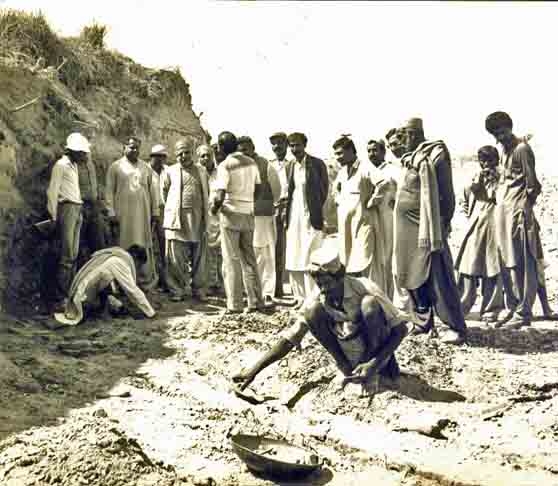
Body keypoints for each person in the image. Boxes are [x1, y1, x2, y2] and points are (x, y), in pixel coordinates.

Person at [232, 240, 413, 392]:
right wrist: (253, 370)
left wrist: (373, 364)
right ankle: (347, 369)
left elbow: (400, 329)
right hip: (348, 356)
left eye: (327, 283)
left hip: (379, 358)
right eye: (319, 284)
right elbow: (290, 338)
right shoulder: (319, 296)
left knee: (369, 305)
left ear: (340, 277)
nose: (323, 289)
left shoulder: (365, 287)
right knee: (312, 311)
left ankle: (377, 374)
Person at [393, 118, 467, 344]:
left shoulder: (435, 154)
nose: (399, 143)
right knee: (412, 275)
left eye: (402, 137)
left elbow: (447, 192)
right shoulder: (410, 158)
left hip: (429, 227)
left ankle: (454, 325)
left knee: (438, 274)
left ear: (413, 135)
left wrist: (442, 222)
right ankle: (423, 321)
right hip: (407, 230)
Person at [485, 112, 543, 328]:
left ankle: (524, 312)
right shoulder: (505, 152)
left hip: (519, 214)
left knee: (523, 263)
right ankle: (514, 307)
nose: (500, 137)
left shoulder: (521, 150)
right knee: (508, 263)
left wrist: (524, 209)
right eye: (496, 134)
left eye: (502, 131)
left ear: (510, 127)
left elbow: (532, 185)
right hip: (504, 215)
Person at [211, 131, 266, 314]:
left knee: (231, 260)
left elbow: (219, 195)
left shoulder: (225, 165)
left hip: (231, 214)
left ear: (221, 147)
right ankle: (256, 301)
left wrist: (214, 209)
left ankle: (234, 305)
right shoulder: (251, 162)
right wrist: (248, 202)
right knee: (249, 259)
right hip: (248, 214)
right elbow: (258, 189)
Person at [454, 146, 504, 322]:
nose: (486, 164)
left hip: (495, 227)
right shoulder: (474, 179)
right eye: (483, 160)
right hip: (475, 226)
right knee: (468, 267)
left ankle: (491, 308)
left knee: (492, 268)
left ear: (496, 160)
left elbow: (501, 199)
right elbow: (465, 201)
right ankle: (462, 306)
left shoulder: (503, 179)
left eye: (490, 160)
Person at [332, 135, 388, 292]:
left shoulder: (365, 167)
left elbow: (384, 183)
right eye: (336, 154)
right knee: (347, 259)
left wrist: (372, 201)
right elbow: (334, 189)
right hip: (346, 225)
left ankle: (372, 296)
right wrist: (339, 200)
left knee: (365, 260)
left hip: (363, 223)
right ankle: (354, 296)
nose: (338, 158)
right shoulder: (342, 172)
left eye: (340, 153)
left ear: (351, 151)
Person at [105, 136, 160, 290]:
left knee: (143, 244)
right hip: (123, 215)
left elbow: (153, 191)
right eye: (131, 147)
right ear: (124, 148)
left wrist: (155, 211)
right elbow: (109, 191)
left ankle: (144, 281)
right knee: (123, 245)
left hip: (143, 215)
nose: (135, 150)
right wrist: (111, 212)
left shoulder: (145, 167)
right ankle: (123, 281)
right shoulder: (115, 167)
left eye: (137, 148)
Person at [53, 245, 156, 326]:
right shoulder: (120, 262)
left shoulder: (115, 255)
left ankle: (101, 310)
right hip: (82, 298)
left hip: (82, 292)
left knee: (113, 292)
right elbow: (132, 290)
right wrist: (150, 312)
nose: (136, 268)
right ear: (135, 258)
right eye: (138, 265)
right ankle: (96, 310)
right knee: (117, 300)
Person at [162, 139, 209, 302]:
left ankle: (199, 289)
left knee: (199, 255)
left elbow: (206, 192)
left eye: (187, 152)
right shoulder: (170, 171)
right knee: (175, 255)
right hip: (176, 217)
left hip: (197, 217)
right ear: (175, 156)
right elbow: (164, 193)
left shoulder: (201, 170)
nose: (184, 156)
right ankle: (177, 289)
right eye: (180, 154)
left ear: (192, 153)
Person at [285, 132, 329, 306]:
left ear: (305, 145)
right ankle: (299, 297)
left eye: (297, 145)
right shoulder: (290, 166)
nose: (295, 149)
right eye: (292, 146)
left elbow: (324, 189)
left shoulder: (317, 164)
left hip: (311, 216)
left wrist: (315, 210)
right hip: (294, 216)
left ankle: (313, 298)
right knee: (294, 254)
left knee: (310, 256)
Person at [47, 133, 90, 306]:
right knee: (67, 255)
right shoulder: (61, 165)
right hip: (67, 209)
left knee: (73, 254)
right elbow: (52, 191)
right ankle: (61, 296)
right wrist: (53, 216)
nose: (84, 156)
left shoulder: (73, 166)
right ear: (73, 151)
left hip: (76, 208)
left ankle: (70, 293)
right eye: (82, 153)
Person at [238, 136, 281, 305]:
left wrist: (265, 204)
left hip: (263, 216)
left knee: (266, 254)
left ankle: (267, 292)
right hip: (244, 216)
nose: (244, 154)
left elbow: (276, 191)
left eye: (246, 150)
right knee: (249, 254)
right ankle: (252, 291)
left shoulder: (265, 164)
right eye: (240, 151)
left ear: (253, 148)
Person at [366, 138, 401, 299]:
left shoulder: (393, 170)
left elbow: (402, 190)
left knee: (388, 256)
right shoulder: (366, 171)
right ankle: (378, 296)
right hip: (371, 219)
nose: (372, 154)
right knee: (374, 258)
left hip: (388, 217)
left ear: (383, 152)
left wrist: (395, 199)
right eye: (369, 151)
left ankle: (391, 297)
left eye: (375, 150)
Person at [198, 144, 224, 295]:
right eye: (202, 156)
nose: (205, 158)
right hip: (202, 217)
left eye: (208, 155)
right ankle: (208, 283)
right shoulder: (196, 172)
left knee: (221, 251)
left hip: (219, 216)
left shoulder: (220, 172)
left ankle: (221, 284)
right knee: (205, 252)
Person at [269, 132, 291, 298]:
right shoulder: (269, 166)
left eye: (280, 143)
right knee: (276, 248)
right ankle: (276, 287)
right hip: (273, 207)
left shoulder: (292, 165)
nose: (277, 147)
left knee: (291, 248)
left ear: (286, 145)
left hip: (290, 207)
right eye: (274, 144)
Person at [77, 147, 107, 266]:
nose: (86, 154)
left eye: (87, 152)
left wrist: (100, 202)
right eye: (83, 152)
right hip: (80, 207)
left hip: (94, 207)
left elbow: (95, 185)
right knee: (79, 245)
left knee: (99, 243)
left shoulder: (90, 164)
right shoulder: (71, 165)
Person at [149, 144, 169, 292]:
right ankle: (150, 280)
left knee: (164, 246)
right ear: (151, 157)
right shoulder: (145, 170)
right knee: (148, 245)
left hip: (163, 210)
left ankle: (165, 280)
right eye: (156, 156)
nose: (159, 159)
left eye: (161, 156)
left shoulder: (168, 171)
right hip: (148, 210)